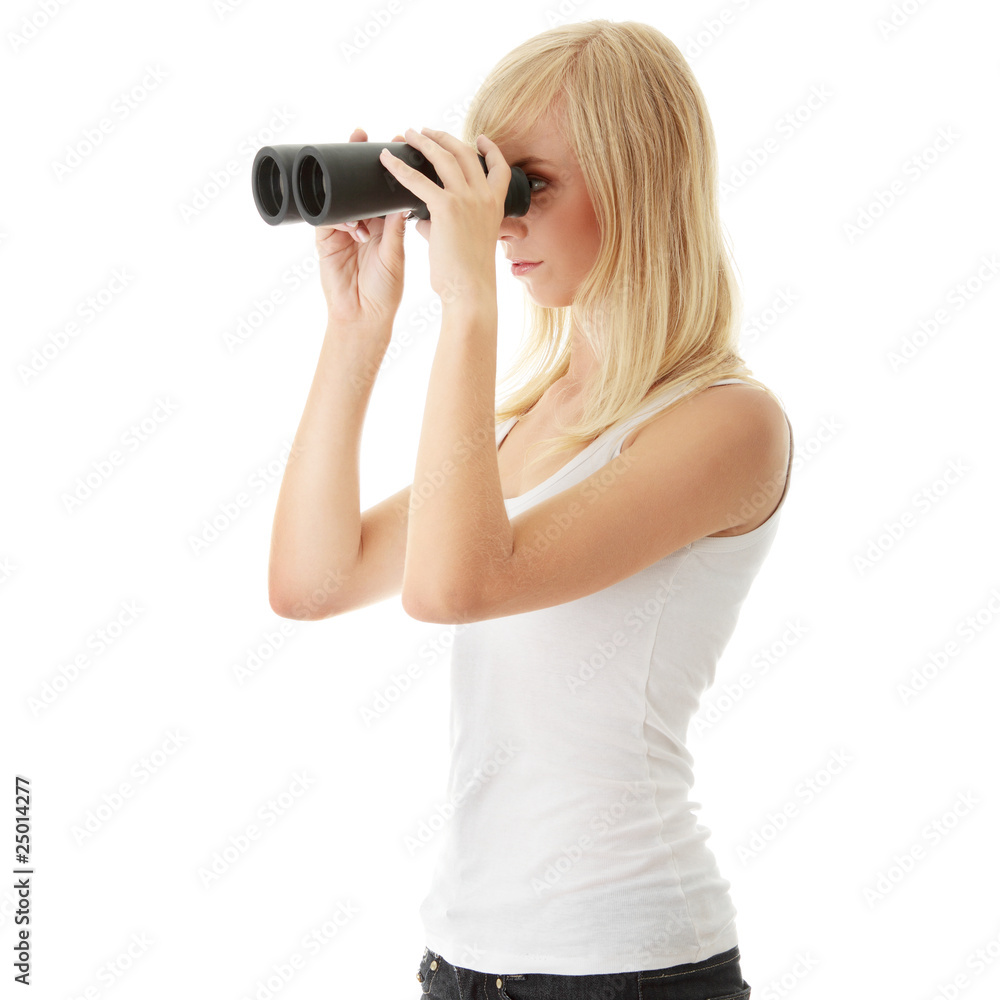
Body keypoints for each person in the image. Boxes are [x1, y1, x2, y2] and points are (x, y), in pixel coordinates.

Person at [268, 18, 793, 1000]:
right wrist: (356, 332)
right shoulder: (529, 425)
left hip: (628, 967)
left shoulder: (729, 425)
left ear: (639, 181)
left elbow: (455, 587)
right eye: (489, 184)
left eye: (529, 186)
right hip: (464, 958)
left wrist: (467, 304)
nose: (500, 221)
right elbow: (311, 581)